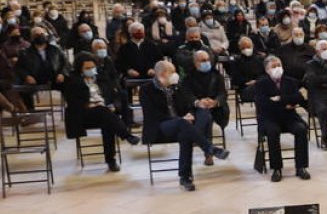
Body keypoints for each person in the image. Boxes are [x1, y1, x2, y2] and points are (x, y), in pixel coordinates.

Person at [139, 61, 229, 191]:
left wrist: (189, 114)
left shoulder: (176, 87)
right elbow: (153, 115)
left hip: (179, 125)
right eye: (172, 72)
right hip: (158, 128)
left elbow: (187, 106)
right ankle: (210, 148)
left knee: (185, 134)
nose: (175, 74)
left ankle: (185, 177)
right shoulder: (146, 90)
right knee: (182, 123)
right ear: (162, 74)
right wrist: (179, 119)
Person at [64, 54, 141, 172]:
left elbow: (113, 94)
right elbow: (72, 102)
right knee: (105, 114)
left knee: (108, 121)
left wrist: (113, 106)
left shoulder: (101, 78)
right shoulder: (73, 81)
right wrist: (88, 105)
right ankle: (126, 136)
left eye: (92, 67)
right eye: (87, 68)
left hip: (103, 112)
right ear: (80, 68)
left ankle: (111, 159)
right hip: (83, 114)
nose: (91, 70)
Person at [254, 55, 311, 182]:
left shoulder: (290, 81)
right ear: (267, 70)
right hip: (270, 118)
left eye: (279, 65)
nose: (277, 68)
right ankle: (276, 168)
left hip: (289, 117)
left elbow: (299, 98)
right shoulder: (261, 83)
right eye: (273, 66)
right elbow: (263, 103)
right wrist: (286, 102)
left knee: (301, 129)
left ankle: (301, 167)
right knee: (273, 132)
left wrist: (279, 99)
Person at [182, 49, 230, 165]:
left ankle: (196, 136)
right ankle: (208, 153)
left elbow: (223, 93)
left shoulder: (216, 74)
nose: (206, 62)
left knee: (206, 115)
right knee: (206, 116)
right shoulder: (188, 77)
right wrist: (198, 102)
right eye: (203, 60)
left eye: (208, 60)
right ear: (195, 62)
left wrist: (215, 102)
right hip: (197, 108)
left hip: (217, 108)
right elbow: (186, 95)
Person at [229, 37, 266, 102]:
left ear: (252, 46)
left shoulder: (260, 59)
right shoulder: (236, 61)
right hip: (245, 88)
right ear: (240, 48)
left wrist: (256, 81)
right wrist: (247, 82)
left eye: (248, 47)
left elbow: (265, 75)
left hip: (260, 85)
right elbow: (235, 78)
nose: (246, 49)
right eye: (243, 48)